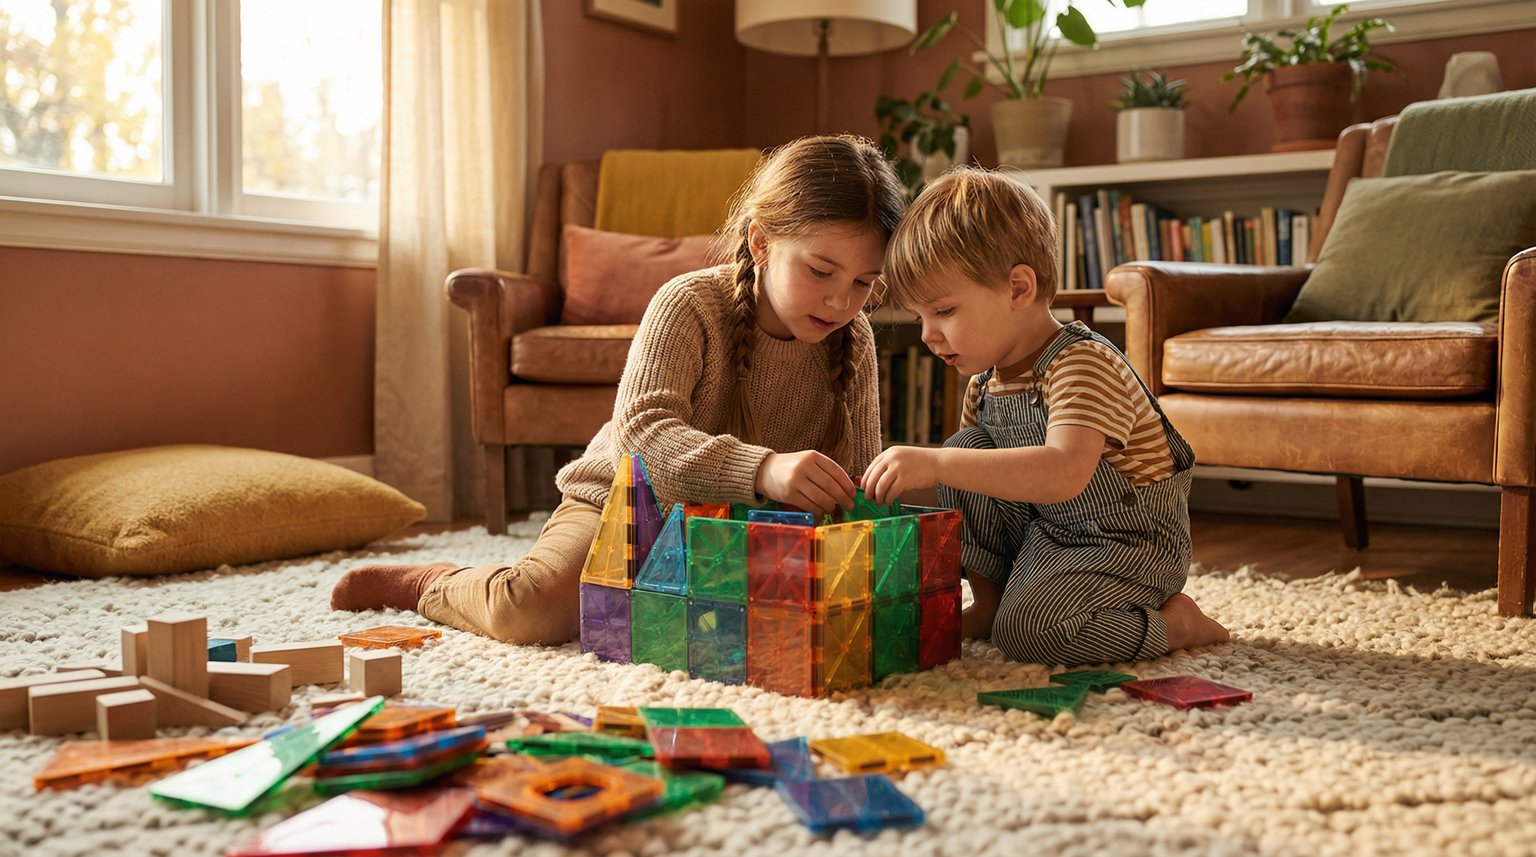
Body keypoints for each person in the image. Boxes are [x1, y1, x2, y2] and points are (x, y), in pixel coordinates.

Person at [331, 135, 905, 645]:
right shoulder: (688, 304)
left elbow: (853, 473)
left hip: (741, 525)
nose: (841, 301)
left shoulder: (852, 339)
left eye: (863, 283)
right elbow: (644, 438)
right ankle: (435, 582)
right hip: (622, 500)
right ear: (760, 242)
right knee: (529, 613)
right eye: (821, 271)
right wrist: (764, 470)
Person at [861, 166, 1229, 666]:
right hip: (1047, 534)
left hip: (1126, 543)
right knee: (966, 449)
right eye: (919, 317)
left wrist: (936, 465)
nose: (927, 335)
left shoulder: (1081, 364)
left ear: (1018, 288)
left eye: (943, 311)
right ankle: (990, 602)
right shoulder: (986, 384)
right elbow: (974, 488)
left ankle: (1174, 624)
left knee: (1034, 633)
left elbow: (1063, 472)